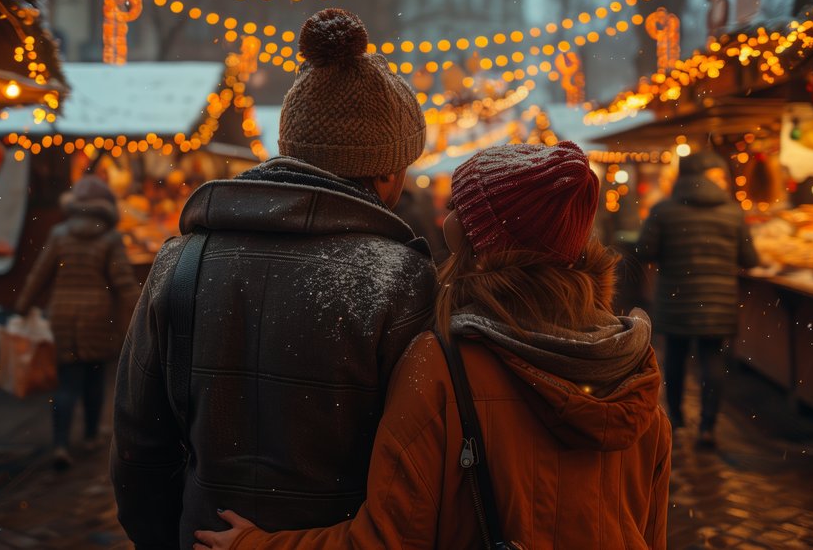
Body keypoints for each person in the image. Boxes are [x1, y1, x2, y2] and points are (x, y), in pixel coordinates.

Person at [195, 142, 671, 549]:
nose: (448, 218)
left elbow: (390, 540)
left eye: (458, 210)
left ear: (473, 237)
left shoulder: (444, 364)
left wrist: (255, 545)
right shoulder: (634, 370)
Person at [111, 8, 437, 549]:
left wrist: (170, 538)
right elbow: (415, 470)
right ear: (386, 168)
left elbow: (138, 448)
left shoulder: (181, 261)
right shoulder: (403, 280)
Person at [14, 174, 140, 470]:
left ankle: (60, 444)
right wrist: (145, 310)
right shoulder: (110, 238)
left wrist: (22, 306)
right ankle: (91, 436)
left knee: (66, 382)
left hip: (61, 316)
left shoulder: (59, 233)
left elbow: (40, 274)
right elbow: (123, 282)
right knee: (94, 380)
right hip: (98, 317)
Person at [635, 150, 759, 448]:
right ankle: (707, 427)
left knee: (674, 358)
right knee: (712, 360)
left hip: (675, 298)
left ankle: (676, 420)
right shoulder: (732, 211)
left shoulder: (663, 210)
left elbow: (644, 251)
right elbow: (750, 259)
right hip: (717, 301)